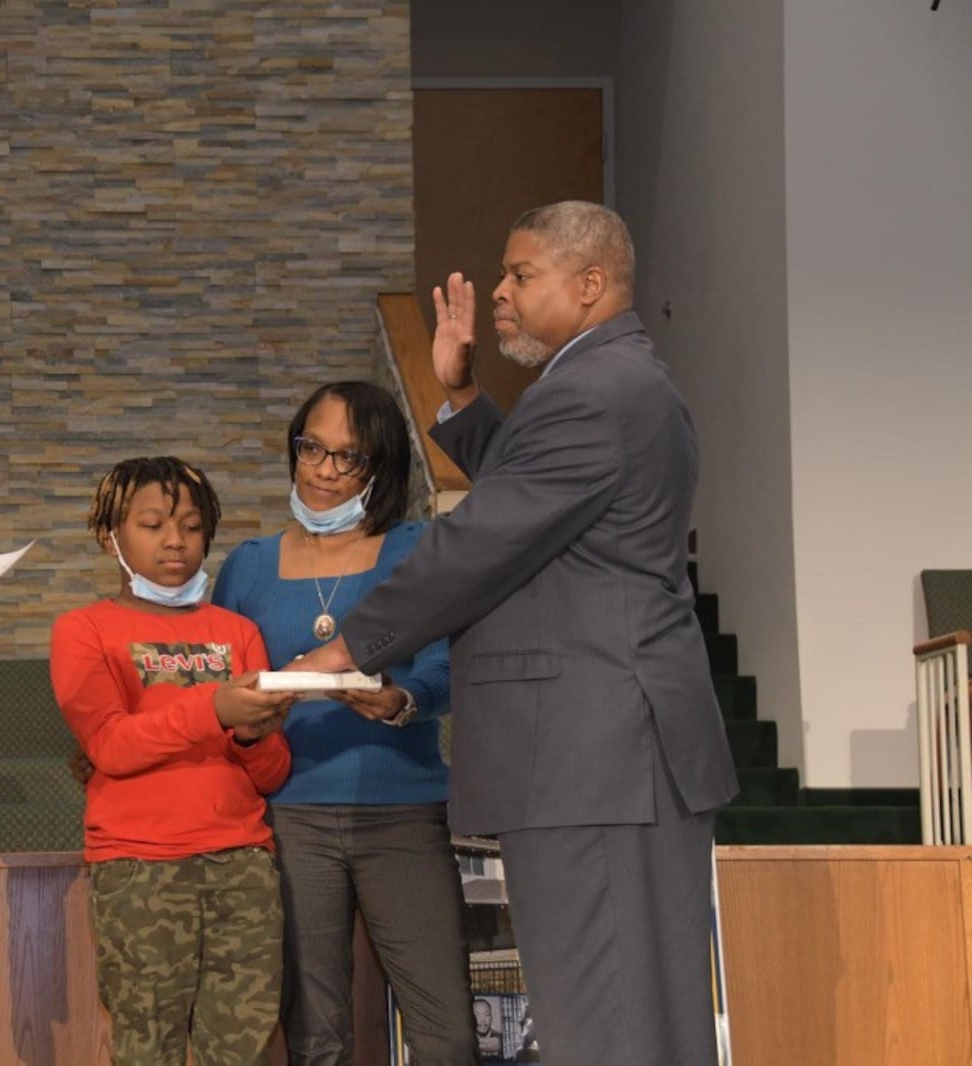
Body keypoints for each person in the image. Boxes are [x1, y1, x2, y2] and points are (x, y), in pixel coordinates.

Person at [290, 202, 739, 1066]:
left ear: (591, 283)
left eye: (520, 275)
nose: (499, 293)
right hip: (609, 757)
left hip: (595, 756)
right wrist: (459, 393)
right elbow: (540, 502)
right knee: (627, 1015)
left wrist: (350, 646)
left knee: (606, 1023)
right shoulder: (612, 384)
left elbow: (484, 540)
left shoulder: (594, 392)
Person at [211, 381, 475, 1065]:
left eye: (348, 458)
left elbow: (449, 669)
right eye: (312, 449)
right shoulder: (246, 566)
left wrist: (402, 699)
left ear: (382, 467)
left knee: (445, 1027)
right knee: (314, 1035)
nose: (324, 472)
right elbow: (219, 685)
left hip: (404, 811)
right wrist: (246, 716)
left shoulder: (419, 548)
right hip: (288, 818)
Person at [50, 456, 297, 1066]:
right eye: (153, 524)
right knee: (147, 1046)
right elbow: (111, 745)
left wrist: (248, 738)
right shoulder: (83, 630)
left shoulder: (237, 631)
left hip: (241, 863)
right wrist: (214, 708)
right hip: (140, 867)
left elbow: (272, 773)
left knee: (242, 1047)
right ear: (112, 536)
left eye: (189, 526)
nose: (174, 541)